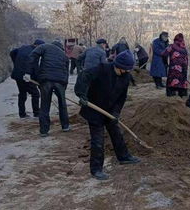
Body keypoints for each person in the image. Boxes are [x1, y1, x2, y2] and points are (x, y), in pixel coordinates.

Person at [74, 50, 141, 180]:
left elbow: (122, 97)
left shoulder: (125, 77)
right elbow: (84, 76)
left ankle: (124, 157)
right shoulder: (102, 69)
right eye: (125, 69)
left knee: (116, 133)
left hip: (109, 110)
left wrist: (116, 113)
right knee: (98, 140)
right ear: (118, 66)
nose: (127, 72)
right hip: (94, 109)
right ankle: (96, 169)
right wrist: (81, 94)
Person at [24, 39, 70, 137]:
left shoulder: (44, 46)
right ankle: (65, 126)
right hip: (60, 81)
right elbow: (67, 71)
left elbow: (32, 56)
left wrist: (29, 72)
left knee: (45, 105)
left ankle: (44, 131)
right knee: (62, 104)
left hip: (46, 80)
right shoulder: (64, 54)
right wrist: (64, 85)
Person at [9, 39, 44, 118]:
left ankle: (22, 113)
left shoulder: (23, 47)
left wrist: (16, 64)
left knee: (22, 93)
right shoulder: (35, 53)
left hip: (17, 75)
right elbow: (34, 67)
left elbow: (12, 52)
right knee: (35, 93)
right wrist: (39, 81)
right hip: (26, 76)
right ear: (38, 46)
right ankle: (36, 112)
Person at [162, 33, 189, 97]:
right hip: (183, 71)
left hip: (173, 70)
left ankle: (171, 97)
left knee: (171, 88)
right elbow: (186, 62)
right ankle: (182, 97)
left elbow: (164, 54)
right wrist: (185, 72)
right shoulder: (184, 49)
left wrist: (165, 63)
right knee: (182, 92)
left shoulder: (171, 46)